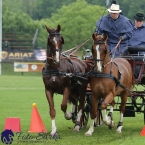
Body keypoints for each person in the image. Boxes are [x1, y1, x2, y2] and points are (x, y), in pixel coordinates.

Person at [128, 13, 145, 79]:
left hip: (142, 52)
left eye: (140, 21)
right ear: (134, 20)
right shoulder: (128, 28)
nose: (138, 23)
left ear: (143, 21)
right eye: (137, 21)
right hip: (129, 51)